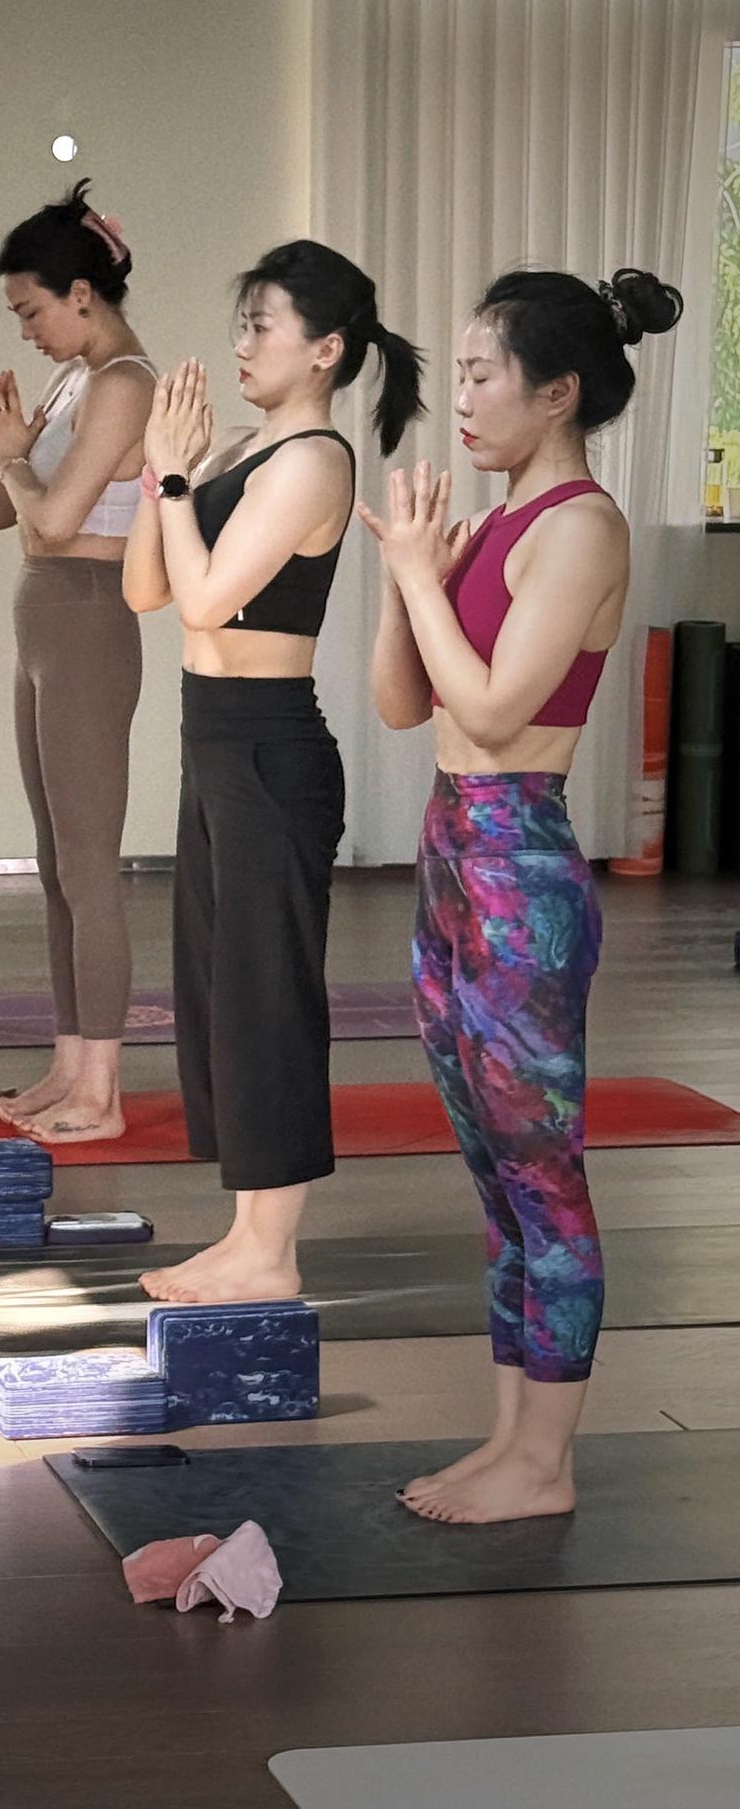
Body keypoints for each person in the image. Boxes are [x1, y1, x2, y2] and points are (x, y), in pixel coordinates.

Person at [360, 264, 682, 1525]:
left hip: (518, 865)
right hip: (451, 852)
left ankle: (546, 1465)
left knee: (545, 1176)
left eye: (482, 374)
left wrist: (424, 581)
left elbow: (495, 712)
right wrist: (406, 578)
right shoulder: (497, 527)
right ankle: (509, 1444)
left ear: (557, 393)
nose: (463, 399)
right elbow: (405, 703)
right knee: (496, 1178)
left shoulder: (582, 528)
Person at [124, 241, 424, 1303]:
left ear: (326, 349)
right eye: (242, 323)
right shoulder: (240, 448)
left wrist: (173, 479)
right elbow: (147, 590)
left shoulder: (313, 463)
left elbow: (208, 598)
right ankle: (247, 1235)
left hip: (269, 748)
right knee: (218, 992)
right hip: (210, 739)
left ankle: (272, 1251)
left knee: (267, 1000)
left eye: (263, 325)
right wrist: (162, 472)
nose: (243, 343)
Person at [0, 181, 155, 1142]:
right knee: (53, 866)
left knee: (88, 867)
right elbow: (1, 513)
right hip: (43, 619)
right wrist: (4, 447)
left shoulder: (123, 382)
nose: (26, 330)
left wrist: (15, 462)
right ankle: (69, 1066)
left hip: (87, 620)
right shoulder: (72, 380)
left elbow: (48, 520)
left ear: (82, 293)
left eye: (31, 309)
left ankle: (104, 1092)